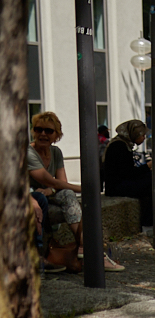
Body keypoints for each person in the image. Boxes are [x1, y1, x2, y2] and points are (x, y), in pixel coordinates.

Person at [28, 112, 124, 271]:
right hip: (30, 200)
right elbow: (49, 179)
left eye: (48, 131)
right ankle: (92, 251)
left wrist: (50, 190)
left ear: (56, 134)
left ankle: (84, 248)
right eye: (38, 130)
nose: (43, 134)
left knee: (68, 195)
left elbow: (60, 183)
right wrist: (84, 189)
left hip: (46, 197)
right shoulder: (28, 153)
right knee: (74, 200)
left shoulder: (55, 152)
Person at [101, 119, 154, 227]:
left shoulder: (123, 143)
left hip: (118, 184)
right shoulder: (119, 146)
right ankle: (148, 223)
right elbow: (128, 173)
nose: (144, 138)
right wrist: (147, 166)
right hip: (116, 187)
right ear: (135, 134)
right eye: (142, 135)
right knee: (153, 184)